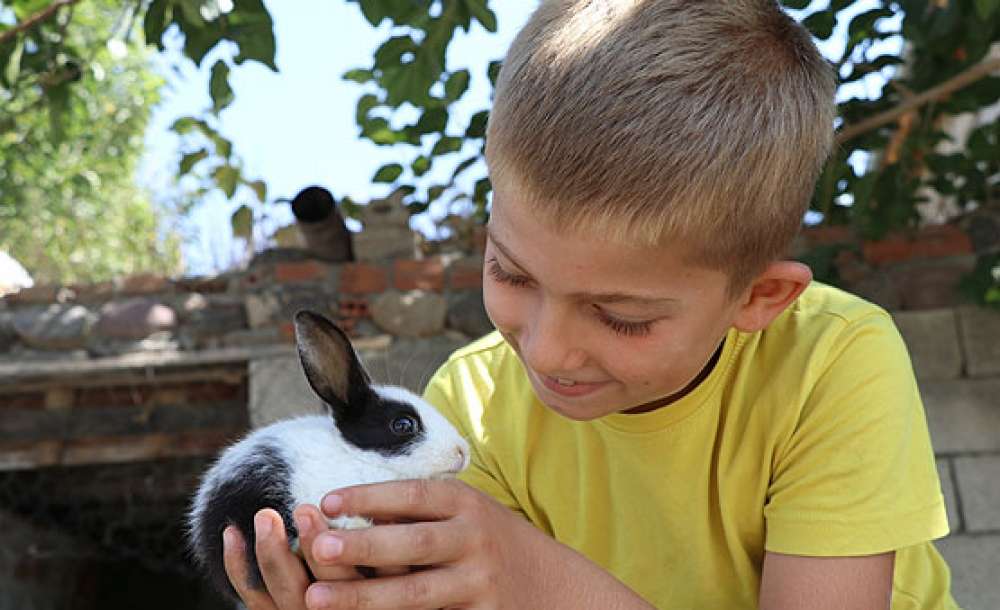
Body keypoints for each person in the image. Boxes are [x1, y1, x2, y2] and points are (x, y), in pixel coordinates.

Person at [221, 0, 958, 608]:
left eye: (621, 316)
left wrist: (532, 574)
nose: (544, 352)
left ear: (760, 298)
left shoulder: (835, 362)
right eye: (509, 272)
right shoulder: (468, 409)